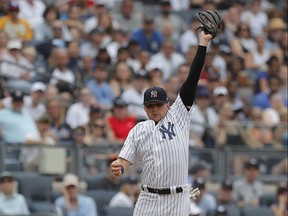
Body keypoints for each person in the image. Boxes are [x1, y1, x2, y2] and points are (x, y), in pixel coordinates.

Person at [111, 30, 213, 215]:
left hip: (177, 199)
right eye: (150, 106)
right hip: (148, 199)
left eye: (158, 104)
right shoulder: (138, 129)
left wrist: (203, 44)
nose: (155, 109)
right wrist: (119, 166)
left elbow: (192, 79)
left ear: (168, 104)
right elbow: (125, 160)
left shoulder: (179, 116)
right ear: (144, 108)